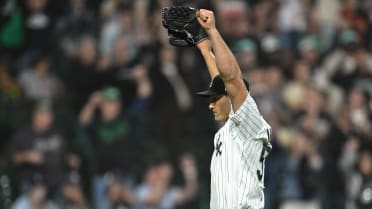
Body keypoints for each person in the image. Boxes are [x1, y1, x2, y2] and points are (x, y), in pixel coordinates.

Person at [194, 9, 272, 209]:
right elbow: (221, 81)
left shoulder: (249, 120)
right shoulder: (232, 126)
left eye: (215, 99)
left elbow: (231, 78)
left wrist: (212, 31)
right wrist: (204, 50)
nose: (210, 104)